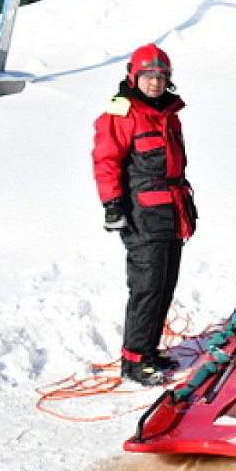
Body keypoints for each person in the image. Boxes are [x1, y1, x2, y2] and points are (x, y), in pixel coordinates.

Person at [92, 43, 197, 386]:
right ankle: (134, 361)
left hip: (171, 210)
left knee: (165, 283)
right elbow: (106, 161)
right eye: (148, 76)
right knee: (147, 286)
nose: (155, 82)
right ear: (133, 77)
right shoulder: (122, 114)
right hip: (141, 214)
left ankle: (148, 352)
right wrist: (112, 204)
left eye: (161, 76)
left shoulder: (168, 114)